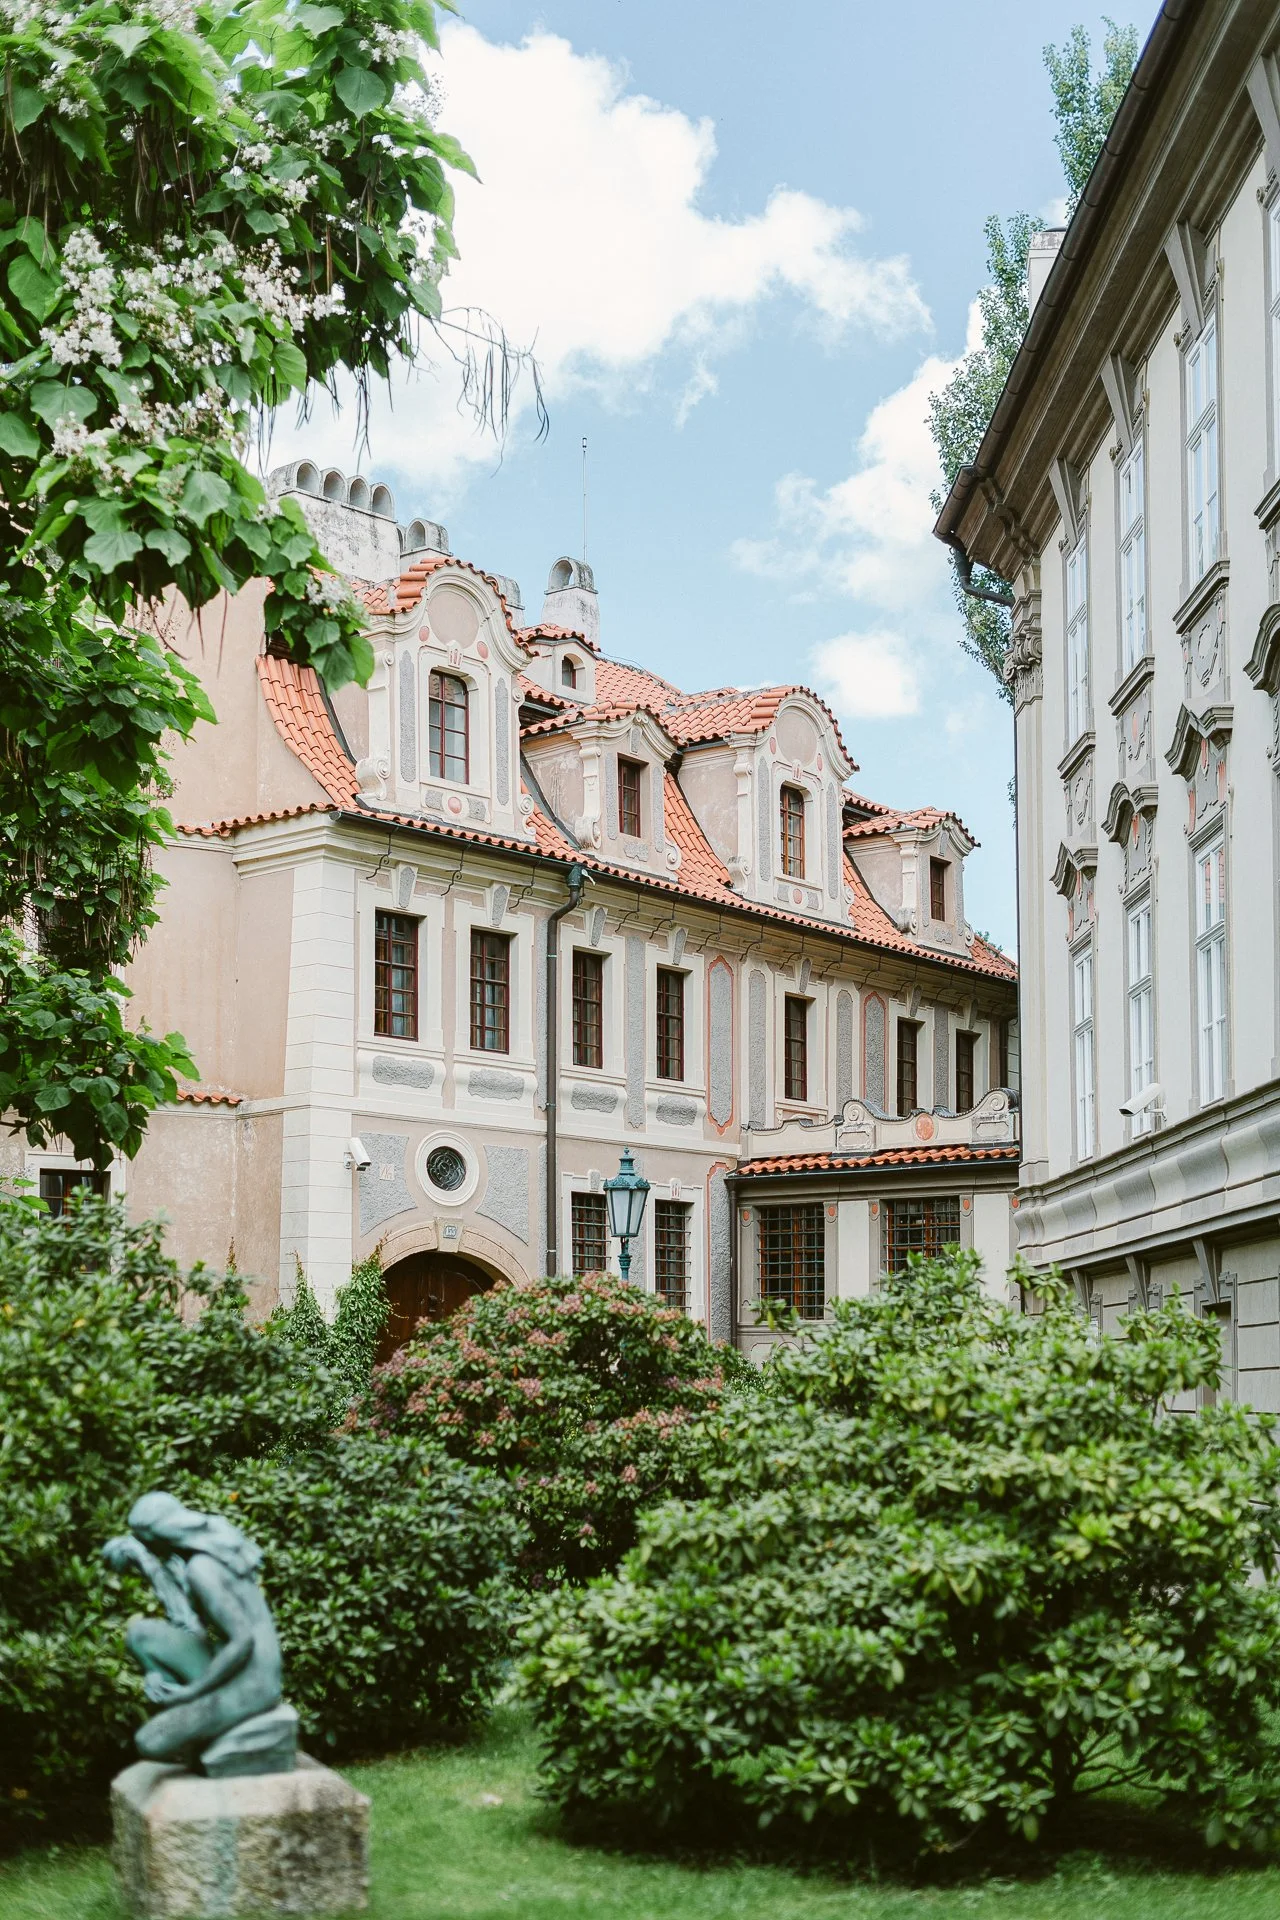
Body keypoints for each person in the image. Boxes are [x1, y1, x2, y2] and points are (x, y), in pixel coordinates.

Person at [103, 1492, 284, 1767]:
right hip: (231, 1663)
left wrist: (193, 1692)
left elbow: (243, 1641)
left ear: (159, 1538)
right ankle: (196, 1717)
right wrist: (155, 1672)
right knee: (141, 1634)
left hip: (254, 1682)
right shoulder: (205, 1552)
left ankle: (206, 1723)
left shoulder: (202, 1570)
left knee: (150, 1741)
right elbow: (188, 1621)